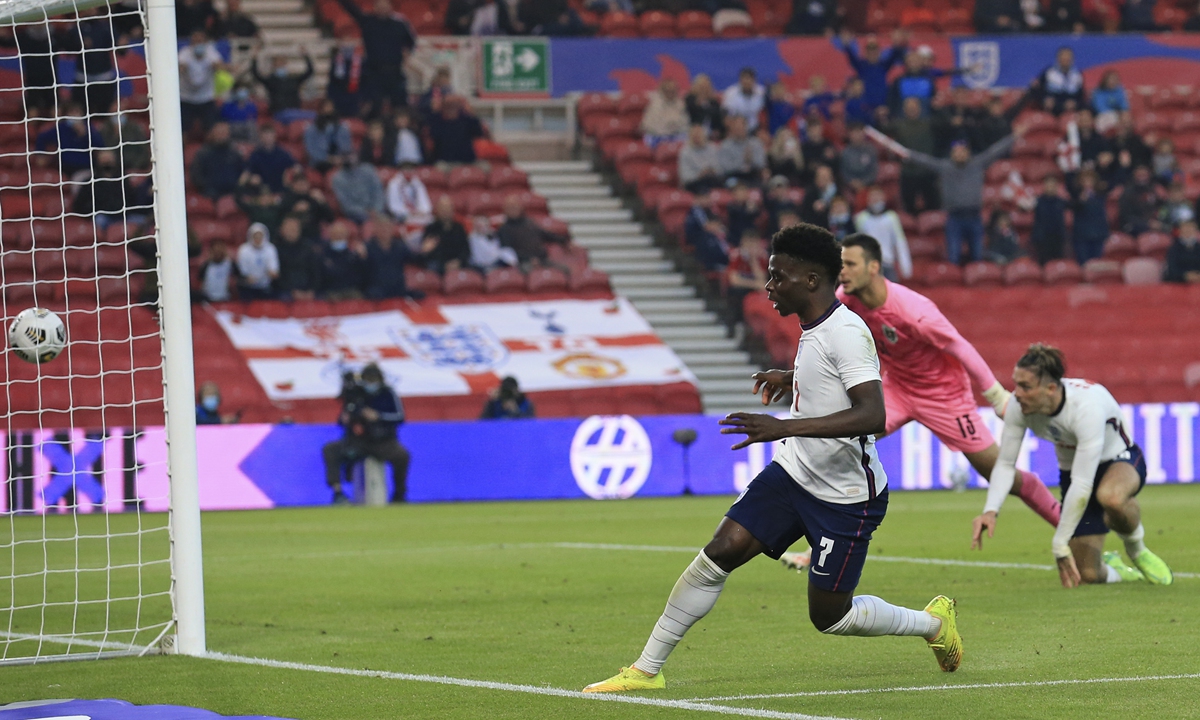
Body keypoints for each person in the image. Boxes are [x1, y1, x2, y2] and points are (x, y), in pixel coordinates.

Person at [583, 223, 964, 695]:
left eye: (778, 276)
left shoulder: (847, 331)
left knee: (830, 616)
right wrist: (792, 378)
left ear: (811, 280)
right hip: (794, 473)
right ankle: (646, 670)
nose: (768, 286)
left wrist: (783, 427)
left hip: (846, 496)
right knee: (720, 551)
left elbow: (872, 414)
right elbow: (831, 378)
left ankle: (932, 624)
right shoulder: (814, 327)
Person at [771, 235, 1062, 572]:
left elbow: (959, 346)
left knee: (1000, 473)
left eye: (850, 264)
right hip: (896, 389)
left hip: (944, 396)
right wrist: (795, 376)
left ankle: (1070, 525)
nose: (842, 271)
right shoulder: (846, 302)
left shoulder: (913, 311)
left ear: (874, 267)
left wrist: (996, 395)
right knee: (834, 445)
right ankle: (819, 548)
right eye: (840, 264)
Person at [972, 345, 1173, 587]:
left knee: (1111, 497)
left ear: (1050, 388)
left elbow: (1083, 482)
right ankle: (1120, 571)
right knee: (1087, 574)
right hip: (1074, 471)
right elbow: (1005, 464)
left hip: (1119, 459)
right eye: (1016, 385)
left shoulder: (1086, 407)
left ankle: (1137, 550)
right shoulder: (1019, 407)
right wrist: (990, 510)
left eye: (1025, 387)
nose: (1017, 394)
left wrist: (1059, 543)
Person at [874, 125, 1025, 265]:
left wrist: (1014, 136)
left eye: (962, 151)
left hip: (974, 217)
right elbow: (923, 160)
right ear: (952, 154)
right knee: (953, 258)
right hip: (954, 218)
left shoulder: (977, 164)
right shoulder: (945, 167)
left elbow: (995, 151)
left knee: (978, 257)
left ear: (968, 152)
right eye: (956, 151)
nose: (959, 154)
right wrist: (900, 151)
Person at [323, 364, 411, 504]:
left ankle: (399, 495)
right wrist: (346, 418)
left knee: (402, 456)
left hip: (383, 442)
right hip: (358, 441)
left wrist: (378, 416)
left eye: (374, 380)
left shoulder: (388, 393)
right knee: (331, 449)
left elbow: (400, 417)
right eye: (368, 380)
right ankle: (338, 492)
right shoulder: (356, 394)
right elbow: (342, 419)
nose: (371, 383)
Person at [334, 0, 417, 111]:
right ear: (375, 7)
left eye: (385, 5)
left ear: (391, 7)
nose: (383, 8)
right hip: (374, 72)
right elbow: (352, 9)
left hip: (395, 71)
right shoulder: (368, 22)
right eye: (380, 6)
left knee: (399, 105)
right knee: (375, 105)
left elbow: (411, 42)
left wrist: (407, 52)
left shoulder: (400, 24)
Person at [831, 30, 909, 112]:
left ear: (879, 53)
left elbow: (895, 54)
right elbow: (852, 57)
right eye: (870, 52)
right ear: (866, 53)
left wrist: (897, 43)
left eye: (874, 52)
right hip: (865, 106)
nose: (872, 54)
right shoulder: (861, 66)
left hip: (882, 105)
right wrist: (847, 45)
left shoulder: (884, 65)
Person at [886, 97, 938, 214]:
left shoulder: (929, 124)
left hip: (927, 171)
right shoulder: (898, 125)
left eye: (914, 108)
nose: (912, 110)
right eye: (909, 108)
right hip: (908, 172)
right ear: (904, 110)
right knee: (908, 208)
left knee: (933, 207)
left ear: (919, 109)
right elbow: (883, 129)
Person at [854, 186, 911, 281]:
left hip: (887, 263)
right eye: (873, 196)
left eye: (878, 196)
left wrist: (905, 266)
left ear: (883, 198)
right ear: (868, 199)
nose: (875, 199)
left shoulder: (892, 217)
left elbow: (900, 241)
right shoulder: (861, 218)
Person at [496, 194, 567, 269]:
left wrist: (564, 240)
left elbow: (546, 234)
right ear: (505, 210)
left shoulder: (530, 223)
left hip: (542, 259)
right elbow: (507, 252)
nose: (513, 210)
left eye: (515, 207)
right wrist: (528, 259)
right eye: (510, 208)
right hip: (522, 263)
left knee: (563, 269)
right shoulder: (504, 229)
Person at [178, 30, 226, 136]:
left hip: (206, 98)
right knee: (182, 130)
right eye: (196, 41)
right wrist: (184, 67)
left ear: (205, 42)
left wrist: (214, 65)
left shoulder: (210, 52)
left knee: (211, 129)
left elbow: (220, 66)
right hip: (186, 98)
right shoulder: (185, 53)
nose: (198, 44)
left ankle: (209, 144)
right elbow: (180, 67)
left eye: (200, 41)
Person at [252, 51, 314, 121]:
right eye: (278, 64)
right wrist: (254, 58)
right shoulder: (271, 81)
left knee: (314, 116)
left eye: (283, 64)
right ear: (274, 66)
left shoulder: (293, 80)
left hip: (295, 110)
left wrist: (306, 56)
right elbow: (256, 75)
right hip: (279, 112)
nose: (281, 66)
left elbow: (309, 72)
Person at [191, 122, 245, 200]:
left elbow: (243, 173)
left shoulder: (234, 153)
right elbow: (196, 175)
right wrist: (207, 187)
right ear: (213, 133)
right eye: (219, 132)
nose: (222, 135)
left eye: (224, 132)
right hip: (211, 194)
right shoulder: (203, 154)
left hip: (233, 194)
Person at [364, 219, 417, 299]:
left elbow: (415, 259)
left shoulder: (400, 246)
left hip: (398, 289)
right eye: (382, 227)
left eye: (387, 227)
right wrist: (359, 256)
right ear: (376, 229)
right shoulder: (367, 247)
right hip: (376, 290)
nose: (385, 230)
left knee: (419, 296)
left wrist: (425, 251)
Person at [275, 215, 323, 301]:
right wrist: (293, 291)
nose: (293, 231)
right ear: (281, 230)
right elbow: (277, 275)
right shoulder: (275, 249)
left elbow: (315, 271)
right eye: (289, 228)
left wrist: (311, 290)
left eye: (295, 228)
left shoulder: (308, 247)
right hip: (285, 291)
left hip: (308, 290)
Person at [427, 95, 485, 164]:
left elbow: (480, 134)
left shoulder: (468, 121)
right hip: (444, 161)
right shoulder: (436, 122)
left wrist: (469, 112)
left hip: (468, 161)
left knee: (485, 167)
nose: (452, 108)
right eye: (449, 105)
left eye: (455, 105)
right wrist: (435, 110)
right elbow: (431, 139)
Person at [421, 195, 472, 272]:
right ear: (437, 210)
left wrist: (458, 262)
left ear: (452, 210)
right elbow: (427, 252)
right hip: (438, 265)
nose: (445, 211)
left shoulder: (459, 228)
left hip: (458, 264)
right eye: (442, 208)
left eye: (448, 208)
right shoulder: (431, 229)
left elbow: (466, 250)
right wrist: (445, 265)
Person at [331, 154, 385, 224]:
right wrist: (366, 212)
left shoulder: (369, 170)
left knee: (385, 221)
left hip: (376, 211)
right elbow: (346, 205)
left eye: (351, 155)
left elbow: (378, 193)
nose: (350, 159)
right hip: (355, 215)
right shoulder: (338, 179)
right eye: (346, 157)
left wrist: (376, 209)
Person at [684, 189, 730, 271]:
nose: (707, 200)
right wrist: (717, 229)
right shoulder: (696, 211)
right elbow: (706, 226)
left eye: (707, 198)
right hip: (698, 238)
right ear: (698, 199)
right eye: (704, 198)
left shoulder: (710, 210)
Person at [319, 222, 366, 299]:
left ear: (346, 236)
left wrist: (362, 258)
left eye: (341, 235)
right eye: (336, 234)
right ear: (330, 235)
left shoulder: (352, 255)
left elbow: (360, 275)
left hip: (350, 290)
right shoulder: (323, 254)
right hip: (330, 291)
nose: (338, 237)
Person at [304, 100, 355, 171]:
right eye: (325, 108)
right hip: (320, 162)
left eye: (330, 108)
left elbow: (347, 147)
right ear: (320, 111)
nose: (328, 110)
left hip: (341, 160)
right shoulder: (311, 130)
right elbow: (312, 151)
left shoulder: (342, 128)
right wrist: (329, 159)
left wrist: (341, 158)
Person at [1072, 170, 1108, 265]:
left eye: (1090, 180)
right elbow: (1075, 208)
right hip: (1082, 236)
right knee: (1084, 263)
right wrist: (1081, 201)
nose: (1088, 183)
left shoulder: (1100, 196)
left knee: (1097, 263)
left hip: (1098, 235)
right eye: (1085, 180)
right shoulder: (1075, 195)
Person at [1035, 47, 1086, 116]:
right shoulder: (1049, 72)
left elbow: (1081, 95)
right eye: (1063, 58)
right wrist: (1044, 100)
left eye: (1068, 58)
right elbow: (1037, 90)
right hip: (1053, 106)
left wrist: (1075, 103)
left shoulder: (1077, 75)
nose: (1066, 60)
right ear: (1058, 59)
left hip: (1070, 106)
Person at [718, 115, 767, 186]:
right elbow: (725, 167)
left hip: (753, 175)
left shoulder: (755, 143)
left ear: (746, 127)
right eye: (736, 127)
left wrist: (751, 160)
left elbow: (761, 163)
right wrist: (743, 161)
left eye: (741, 127)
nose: (739, 130)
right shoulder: (725, 145)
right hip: (733, 176)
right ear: (732, 129)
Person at [246, 125, 296, 194]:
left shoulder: (283, 153)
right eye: (265, 135)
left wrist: (291, 175)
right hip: (262, 191)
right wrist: (252, 178)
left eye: (269, 135)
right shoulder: (255, 155)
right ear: (260, 137)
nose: (268, 138)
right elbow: (249, 172)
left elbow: (295, 167)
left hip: (280, 189)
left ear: (274, 136)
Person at [236, 222, 279, 300]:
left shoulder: (270, 249)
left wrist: (272, 273)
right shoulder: (244, 250)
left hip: (265, 286)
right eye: (255, 237)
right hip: (248, 287)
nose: (258, 239)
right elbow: (242, 270)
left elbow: (274, 269)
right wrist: (247, 278)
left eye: (260, 237)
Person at [640, 78, 688, 147]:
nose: (671, 93)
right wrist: (670, 126)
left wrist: (673, 126)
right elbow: (649, 126)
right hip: (658, 136)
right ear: (663, 90)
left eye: (673, 90)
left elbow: (684, 124)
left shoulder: (681, 104)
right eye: (668, 90)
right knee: (649, 138)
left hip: (676, 135)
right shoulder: (655, 104)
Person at [678, 124, 724, 194]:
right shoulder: (685, 152)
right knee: (701, 187)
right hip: (695, 182)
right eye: (695, 136)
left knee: (726, 182)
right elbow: (685, 176)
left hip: (712, 179)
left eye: (699, 136)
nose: (697, 138)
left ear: (705, 136)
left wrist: (713, 171)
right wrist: (700, 174)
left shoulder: (712, 148)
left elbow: (720, 169)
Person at [1031, 175, 1067, 264]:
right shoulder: (1037, 201)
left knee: (1057, 263)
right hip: (1042, 239)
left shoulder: (1061, 202)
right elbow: (1024, 208)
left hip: (1057, 238)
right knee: (1044, 263)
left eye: (1053, 185)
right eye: (1048, 185)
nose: (1050, 188)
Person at [327, 35, 365, 118]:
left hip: (354, 100)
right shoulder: (336, 62)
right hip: (338, 99)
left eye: (349, 43)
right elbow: (332, 81)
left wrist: (364, 99)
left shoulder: (361, 63)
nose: (347, 45)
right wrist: (330, 98)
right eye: (345, 43)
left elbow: (364, 82)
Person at [1117, 165, 1161, 236]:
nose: (1142, 177)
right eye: (1140, 175)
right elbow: (1126, 216)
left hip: (1152, 223)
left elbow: (1158, 209)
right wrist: (1146, 223)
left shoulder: (1152, 190)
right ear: (1134, 175)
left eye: (1144, 175)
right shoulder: (1127, 192)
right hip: (1132, 225)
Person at [721, 67, 766, 132]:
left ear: (754, 80)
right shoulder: (731, 93)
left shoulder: (762, 92)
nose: (747, 82)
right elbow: (725, 114)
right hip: (736, 127)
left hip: (755, 128)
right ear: (740, 80)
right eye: (744, 79)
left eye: (749, 79)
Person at [839, 123, 878, 194]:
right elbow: (844, 171)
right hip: (850, 186)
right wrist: (852, 182)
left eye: (859, 132)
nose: (857, 135)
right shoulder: (845, 152)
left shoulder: (871, 150)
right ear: (850, 135)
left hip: (869, 185)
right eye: (854, 133)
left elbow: (873, 170)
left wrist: (864, 183)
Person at [724, 181, 763, 246]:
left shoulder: (750, 204)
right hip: (735, 238)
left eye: (743, 191)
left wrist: (752, 208)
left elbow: (757, 214)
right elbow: (737, 214)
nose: (742, 194)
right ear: (734, 194)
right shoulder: (731, 206)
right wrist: (747, 210)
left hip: (750, 236)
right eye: (739, 192)